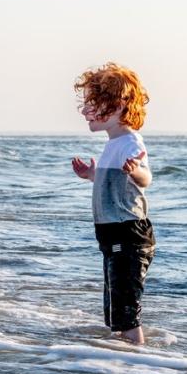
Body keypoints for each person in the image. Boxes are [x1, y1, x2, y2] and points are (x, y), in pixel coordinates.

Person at [69, 62, 154, 344]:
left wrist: (135, 170)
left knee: (126, 307)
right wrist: (92, 175)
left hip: (129, 233)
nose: (84, 111)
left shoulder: (130, 142)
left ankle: (138, 357)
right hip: (113, 234)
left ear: (118, 106)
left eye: (93, 103)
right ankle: (118, 355)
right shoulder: (112, 144)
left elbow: (145, 179)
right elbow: (115, 183)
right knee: (115, 305)